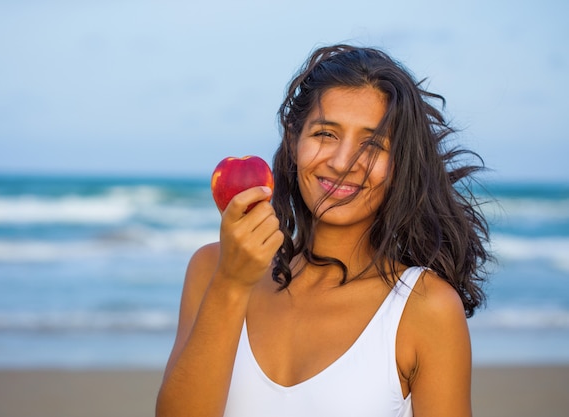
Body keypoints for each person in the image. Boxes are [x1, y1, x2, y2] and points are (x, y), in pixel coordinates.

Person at [156, 44, 491, 417]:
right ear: (294, 141)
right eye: (326, 134)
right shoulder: (211, 268)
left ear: (399, 166)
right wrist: (231, 285)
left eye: (372, 144)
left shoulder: (426, 308)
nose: (342, 161)